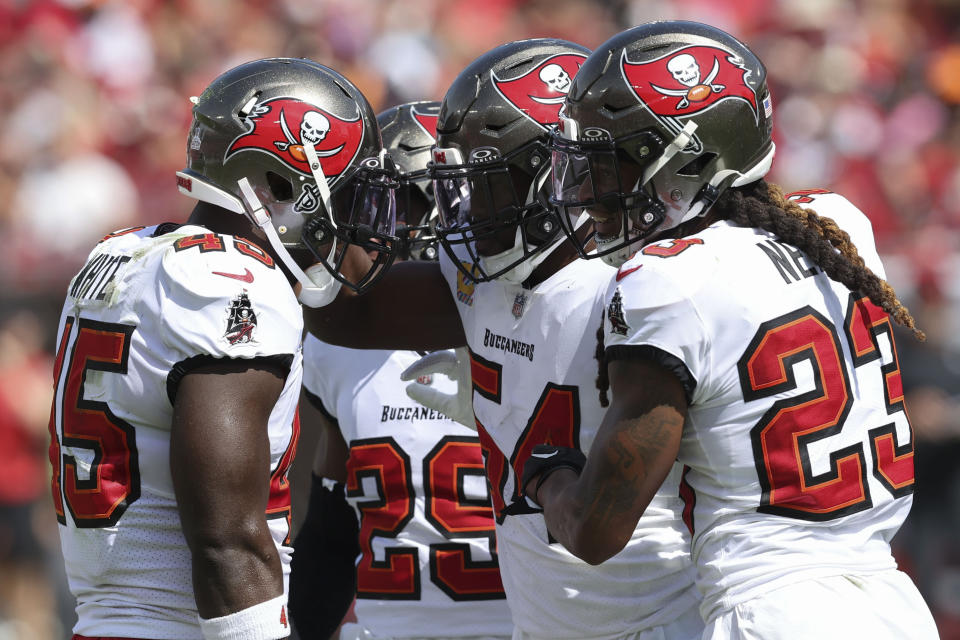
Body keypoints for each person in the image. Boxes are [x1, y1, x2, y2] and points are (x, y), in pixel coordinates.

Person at [521, 21, 941, 639]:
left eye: (610, 162)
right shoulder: (836, 224)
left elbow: (594, 529)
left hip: (768, 613)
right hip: (891, 603)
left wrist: (546, 474)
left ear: (685, 159)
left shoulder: (668, 280)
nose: (589, 190)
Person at [305, 39, 703, 640]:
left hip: (655, 609)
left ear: (554, 174)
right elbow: (347, 314)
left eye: (485, 180)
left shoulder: (638, 287)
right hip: (544, 615)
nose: (461, 212)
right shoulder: (483, 279)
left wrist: (545, 479)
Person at [48, 57, 398, 640]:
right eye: (345, 190)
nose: (352, 216)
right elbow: (227, 540)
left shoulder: (124, 252)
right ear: (283, 186)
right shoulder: (235, 283)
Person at [288, 100, 514, 640]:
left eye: (391, 205)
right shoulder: (341, 339)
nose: (372, 227)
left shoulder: (530, 324)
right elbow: (334, 518)